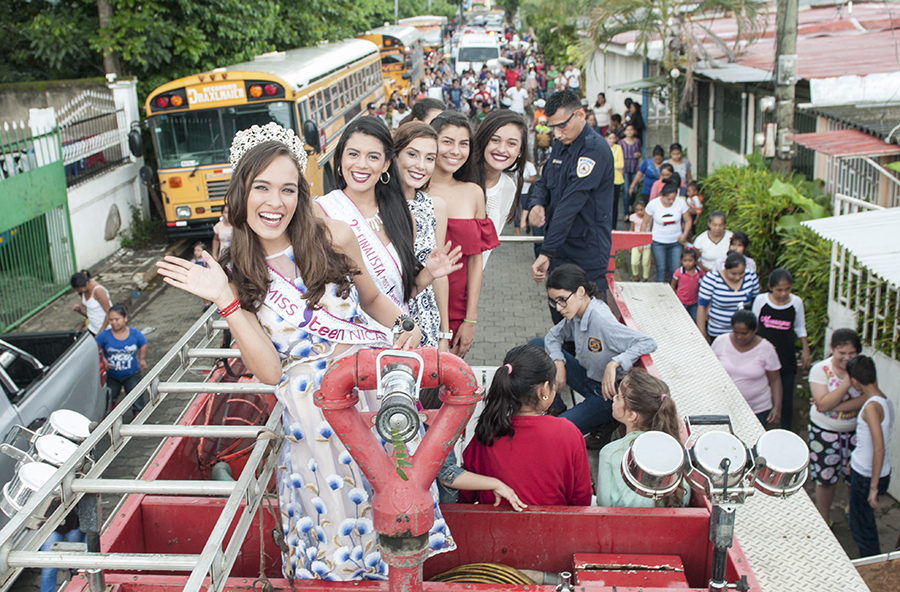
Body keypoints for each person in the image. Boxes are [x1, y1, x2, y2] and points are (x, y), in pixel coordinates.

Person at [155, 123, 457, 580]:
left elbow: (372, 300)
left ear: (302, 194)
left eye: (287, 189)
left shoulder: (333, 235)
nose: (274, 202)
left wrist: (405, 323)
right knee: (340, 545)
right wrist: (225, 298)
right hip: (313, 424)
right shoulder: (236, 271)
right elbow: (270, 369)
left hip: (372, 394)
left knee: (397, 528)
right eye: (261, 188)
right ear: (241, 191)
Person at [317, 117, 461, 335]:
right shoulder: (320, 212)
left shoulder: (402, 216)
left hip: (397, 337)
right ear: (340, 159)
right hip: (345, 341)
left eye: (373, 157)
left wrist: (428, 274)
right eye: (353, 154)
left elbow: (401, 294)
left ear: (385, 164)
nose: (362, 164)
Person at [460, 344, 593, 506]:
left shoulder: (487, 431)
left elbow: (465, 494)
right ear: (544, 390)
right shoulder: (568, 432)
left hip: (493, 527)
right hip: (554, 527)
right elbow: (581, 497)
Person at [532, 264, 657, 434]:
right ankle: (556, 406)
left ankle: (602, 422)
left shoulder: (601, 320)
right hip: (587, 378)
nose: (559, 308)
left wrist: (614, 363)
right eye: (554, 302)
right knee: (537, 344)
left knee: (556, 429)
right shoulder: (576, 314)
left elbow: (647, 342)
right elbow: (553, 336)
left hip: (605, 395)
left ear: (581, 292)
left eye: (562, 300)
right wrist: (558, 362)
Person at [526, 90, 615, 318]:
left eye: (562, 126)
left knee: (588, 326)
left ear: (580, 115)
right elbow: (544, 182)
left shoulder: (594, 150)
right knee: (560, 318)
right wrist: (536, 204)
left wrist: (546, 251)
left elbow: (570, 204)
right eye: (552, 127)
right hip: (559, 250)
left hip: (585, 253)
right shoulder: (561, 144)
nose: (556, 134)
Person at [429, 111, 498, 358]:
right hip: (417, 303)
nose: (455, 151)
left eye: (463, 143)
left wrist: (471, 320)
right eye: (447, 141)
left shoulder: (473, 192)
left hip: (458, 310)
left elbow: (475, 261)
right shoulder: (411, 189)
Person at [393, 122, 453, 350]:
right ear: (395, 155)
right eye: (412, 154)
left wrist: (444, 335)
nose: (421, 165)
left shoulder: (435, 206)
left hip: (427, 319)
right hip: (388, 321)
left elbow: (439, 274)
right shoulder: (374, 207)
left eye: (429, 158)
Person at [598, 372, 689, 508]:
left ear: (631, 415)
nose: (614, 398)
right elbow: (685, 500)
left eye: (619, 397)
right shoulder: (676, 451)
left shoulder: (609, 452)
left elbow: (603, 503)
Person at [808, 328, 863, 524]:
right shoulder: (820, 370)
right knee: (825, 479)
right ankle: (823, 518)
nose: (847, 358)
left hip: (855, 433)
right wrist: (847, 382)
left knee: (853, 477)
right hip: (824, 433)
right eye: (842, 353)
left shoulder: (863, 368)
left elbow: (869, 397)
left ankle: (852, 513)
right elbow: (822, 406)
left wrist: (831, 404)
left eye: (852, 353)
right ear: (832, 349)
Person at [846, 355, 894, 557]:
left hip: (867, 476)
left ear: (855, 381)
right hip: (870, 470)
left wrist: (873, 488)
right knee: (859, 518)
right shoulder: (885, 399)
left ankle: (871, 563)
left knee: (862, 525)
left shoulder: (872, 407)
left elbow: (879, 448)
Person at [752, 268, 811, 432]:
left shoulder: (796, 303)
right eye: (779, 290)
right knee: (762, 392)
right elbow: (753, 326)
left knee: (786, 396)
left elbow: (800, 327)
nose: (783, 293)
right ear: (770, 287)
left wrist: (805, 350)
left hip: (786, 355)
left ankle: (786, 430)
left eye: (787, 289)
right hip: (763, 356)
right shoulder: (761, 301)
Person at [473, 110, 528, 265]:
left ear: (520, 151)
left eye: (511, 143)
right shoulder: (460, 177)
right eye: (495, 140)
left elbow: (486, 250)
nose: (502, 149)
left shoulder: (508, 187)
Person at [712, 310, 782, 426]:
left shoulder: (766, 348)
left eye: (745, 334)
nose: (740, 337)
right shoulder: (720, 342)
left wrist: (777, 407)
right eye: (736, 332)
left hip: (758, 409)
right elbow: (710, 371)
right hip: (725, 406)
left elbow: (775, 380)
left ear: (754, 331)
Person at [96, 304, 148, 417]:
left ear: (125, 318)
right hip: (112, 375)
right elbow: (96, 346)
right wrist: (103, 359)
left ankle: (138, 415)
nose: (114, 322)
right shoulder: (104, 336)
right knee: (110, 397)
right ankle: (111, 415)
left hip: (132, 373)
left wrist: (142, 359)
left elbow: (143, 344)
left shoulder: (134, 334)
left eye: (117, 319)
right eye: (110, 320)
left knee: (136, 395)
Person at [696, 252, 760, 341]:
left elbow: (756, 303)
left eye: (741, 273)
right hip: (718, 331)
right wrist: (702, 333)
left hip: (744, 333)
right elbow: (702, 307)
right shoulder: (712, 279)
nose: (737, 277)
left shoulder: (751, 277)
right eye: (733, 274)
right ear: (725, 268)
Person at [640, 180, 691, 283]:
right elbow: (645, 223)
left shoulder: (680, 203)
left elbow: (688, 220)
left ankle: (674, 291)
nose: (672, 201)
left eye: (673, 198)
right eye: (669, 199)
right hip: (658, 242)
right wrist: (641, 242)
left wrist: (684, 235)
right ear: (662, 196)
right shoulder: (653, 204)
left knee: (675, 269)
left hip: (676, 242)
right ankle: (660, 294)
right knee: (661, 270)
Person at [70, 271, 111, 336]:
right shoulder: (85, 290)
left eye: (79, 289)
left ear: (86, 283)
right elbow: (89, 302)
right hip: (93, 328)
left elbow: (109, 312)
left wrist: (101, 332)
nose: (78, 292)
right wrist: (79, 306)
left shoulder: (98, 291)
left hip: (105, 330)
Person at [671, 247, 705, 321]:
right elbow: (673, 285)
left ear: (695, 261)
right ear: (681, 261)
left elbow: (704, 280)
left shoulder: (699, 271)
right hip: (681, 301)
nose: (687, 263)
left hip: (694, 301)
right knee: (681, 319)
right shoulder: (679, 272)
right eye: (685, 260)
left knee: (695, 319)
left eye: (690, 260)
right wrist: (674, 298)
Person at [619, 124, 641, 220]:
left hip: (634, 166)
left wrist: (638, 155)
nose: (629, 132)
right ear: (624, 132)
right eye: (627, 130)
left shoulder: (637, 141)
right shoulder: (621, 142)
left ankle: (631, 204)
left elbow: (640, 152)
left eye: (631, 130)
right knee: (626, 191)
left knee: (635, 189)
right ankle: (626, 213)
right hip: (625, 167)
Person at [628, 200, 651, 282]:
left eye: (641, 209)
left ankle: (645, 277)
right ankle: (636, 276)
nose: (639, 212)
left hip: (647, 242)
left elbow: (651, 230)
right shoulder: (633, 217)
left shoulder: (650, 217)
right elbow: (631, 229)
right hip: (636, 241)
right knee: (634, 262)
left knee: (645, 262)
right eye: (637, 210)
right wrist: (629, 243)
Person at [605, 129, 624, 222]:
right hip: (605, 180)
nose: (612, 140)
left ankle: (614, 226)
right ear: (606, 138)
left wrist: (608, 164)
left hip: (616, 179)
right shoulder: (603, 147)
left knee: (615, 203)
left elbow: (620, 164)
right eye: (610, 138)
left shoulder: (618, 148)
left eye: (613, 138)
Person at [190, 242, 211, 308]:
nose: (196, 252)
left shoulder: (206, 260)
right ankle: (206, 305)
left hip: (206, 278)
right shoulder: (193, 261)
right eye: (195, 250)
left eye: (198, 250)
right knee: (202, 293)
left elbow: (209, 268)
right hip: (199, 279)